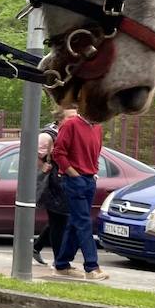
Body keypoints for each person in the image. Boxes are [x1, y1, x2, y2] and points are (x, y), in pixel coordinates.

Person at [49, 109, 109, 281]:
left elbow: (96, 150)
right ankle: (92, 267)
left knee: (76, 223)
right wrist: (73, 173)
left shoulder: (97, 127)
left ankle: (62, 264)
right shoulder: (71, 124)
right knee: (83, 222)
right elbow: (58, 152)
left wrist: (93, 172)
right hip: (75, 180)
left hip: (89, 178)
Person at [32, 107, 75, 265]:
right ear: (60, 119)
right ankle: (60, 261)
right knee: (59, 220)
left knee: (59, 219)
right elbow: (34, 154)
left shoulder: (69, 132)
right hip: (51, 182)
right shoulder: (47, 136)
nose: (74, 120)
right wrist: (42, 166)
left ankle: (37, 246)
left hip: (62, 181)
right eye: (70, 117)